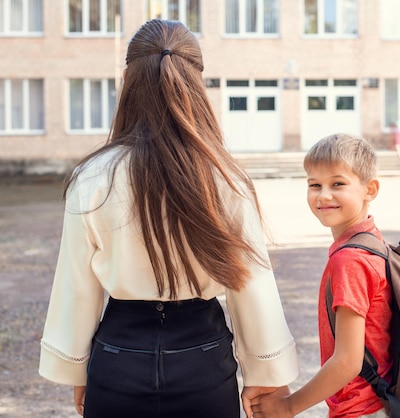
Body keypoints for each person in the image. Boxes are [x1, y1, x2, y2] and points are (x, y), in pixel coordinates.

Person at [39, 19, 299, 418]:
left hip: (118, 358)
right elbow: (250, 280)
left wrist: (78, 369)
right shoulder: (225, 177)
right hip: (203, 361)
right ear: (197, 83)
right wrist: (264, 372)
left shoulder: (93, 176)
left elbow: (77, 284)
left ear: (128, 80)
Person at [247, 134, 392, 418]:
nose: (323, 195)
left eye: (337, 184)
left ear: (370, 189)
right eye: (315, 185)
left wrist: (289, 406)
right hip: (379, 402)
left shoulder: (350, 260)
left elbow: (348, 361)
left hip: (360, 409)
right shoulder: (371, 241)